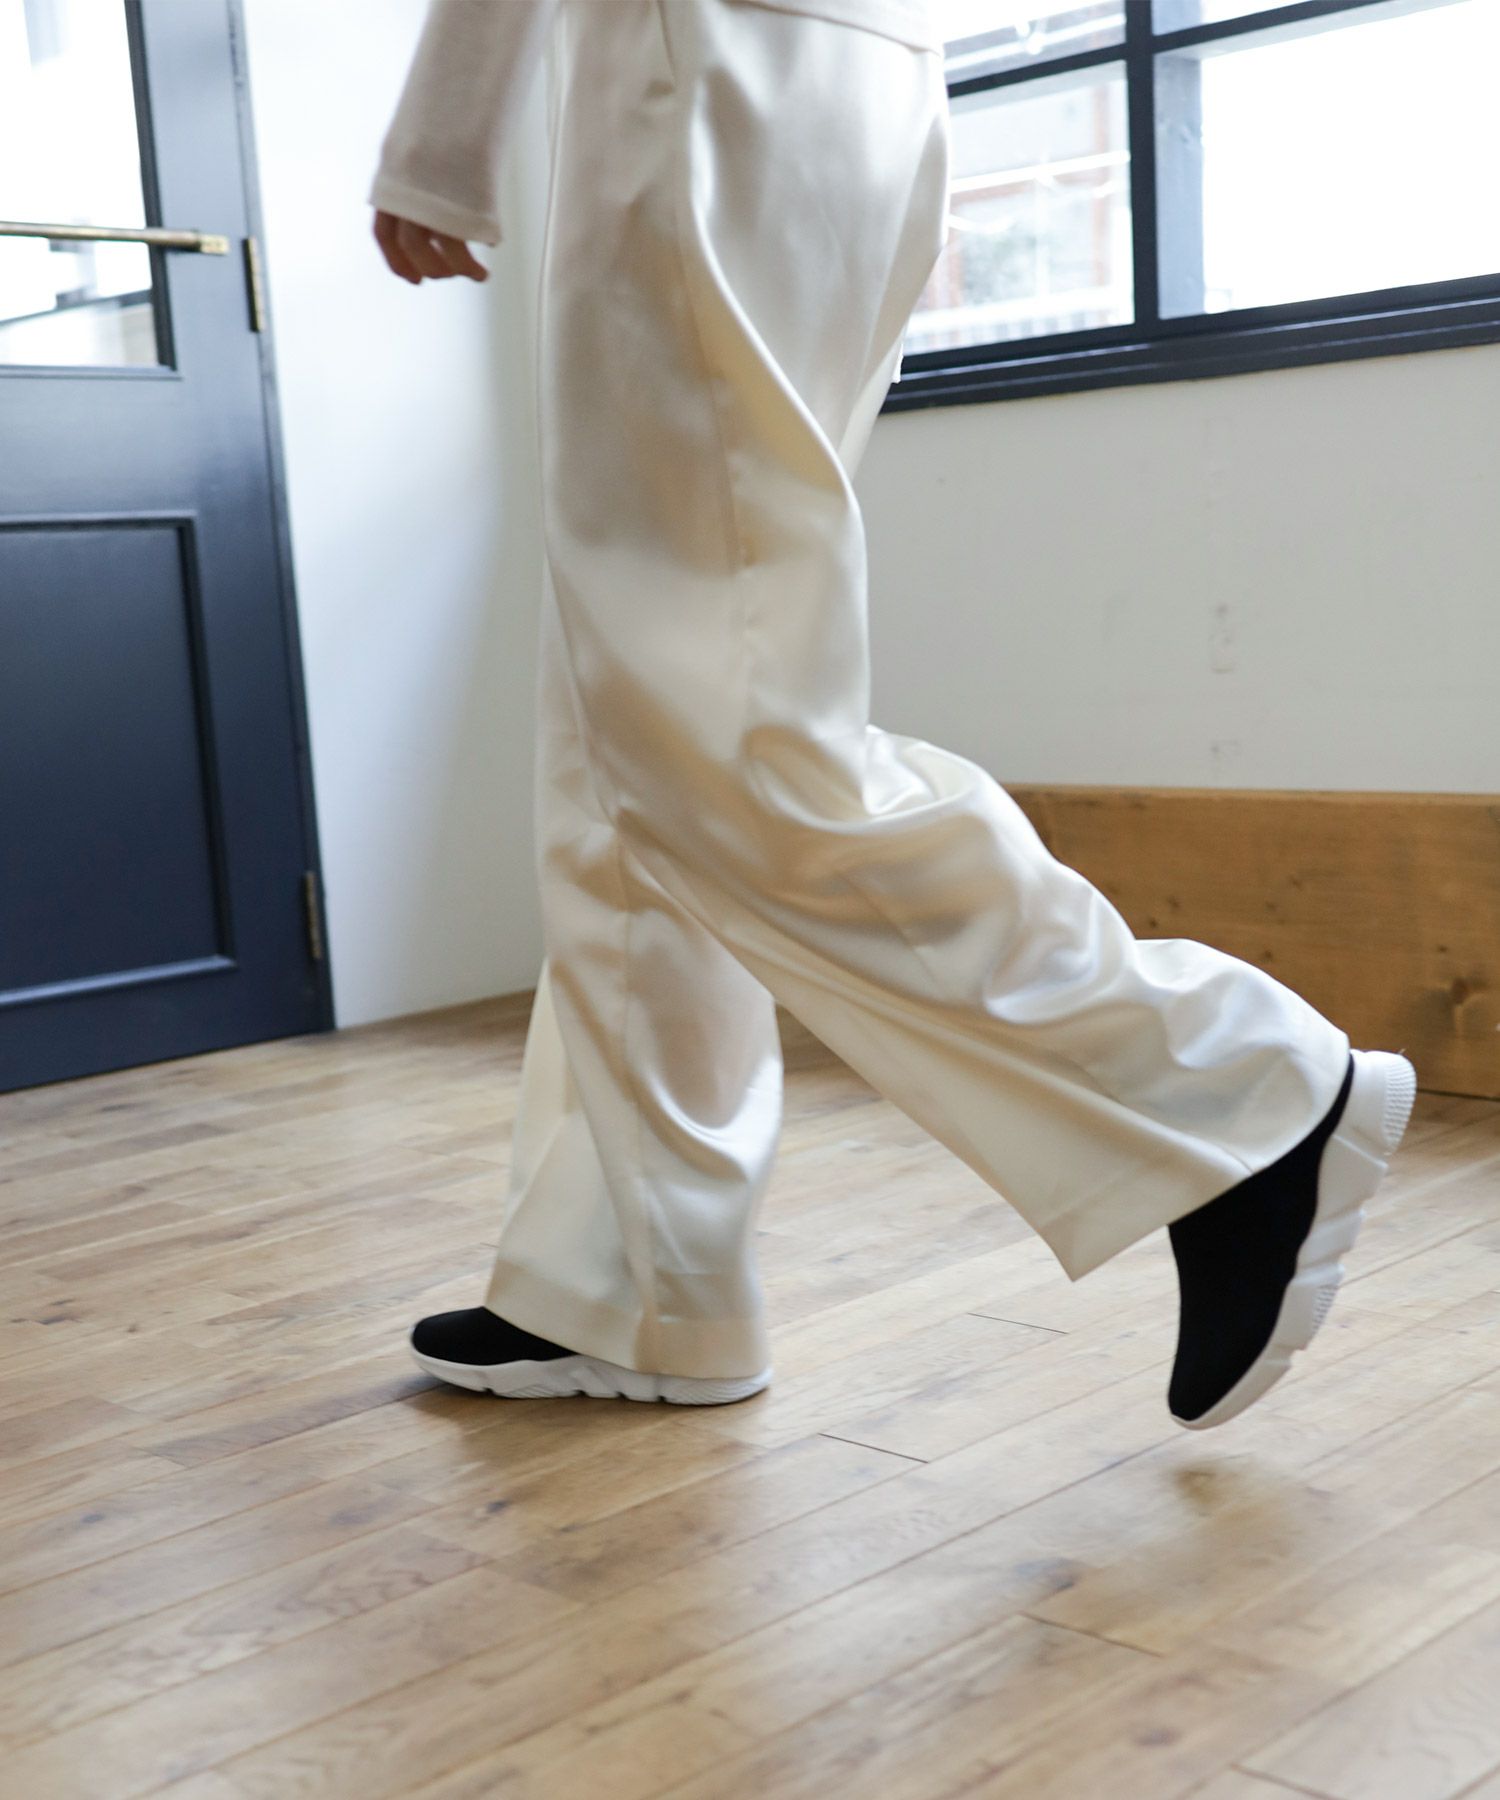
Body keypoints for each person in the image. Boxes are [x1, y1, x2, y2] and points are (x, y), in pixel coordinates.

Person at [366, 0, 1416, 1430]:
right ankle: (637, 1284)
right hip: (851, 74)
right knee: (632, 730)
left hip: (699, 64)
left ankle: (1232, 1087)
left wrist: (443, 137)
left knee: (725, 735)